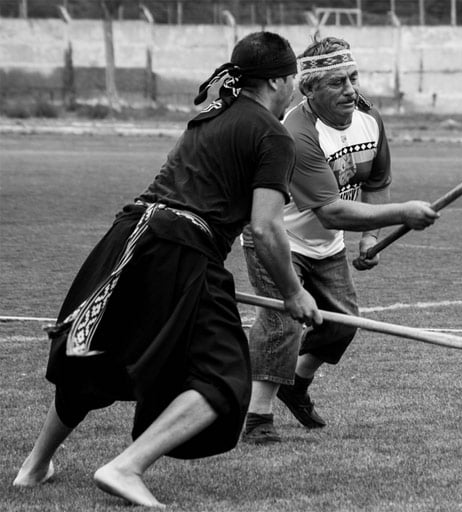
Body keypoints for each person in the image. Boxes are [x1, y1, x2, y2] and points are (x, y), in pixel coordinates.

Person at [12, 31, 321, 508]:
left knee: (96, 353)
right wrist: (295, 292)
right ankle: (125, 467)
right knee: (227, 377)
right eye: (294, 80)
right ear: (281, 80)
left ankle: (33, 467)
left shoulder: (210, 115)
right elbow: (266, 229)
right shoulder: (272, 134)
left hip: (132, 235)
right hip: (183, 248)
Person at [240, 35, 439, 444]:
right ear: (310, 89)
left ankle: (296, 382)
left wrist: (370, 238)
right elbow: (330, 210)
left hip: (326, 245)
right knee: (283, 323)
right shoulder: (296, 133)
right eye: (337, 83)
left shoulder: (370, 119)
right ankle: (257, 417)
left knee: (342, 325)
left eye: (353, 78)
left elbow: (376, 180)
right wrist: (404, 213)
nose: (351, 90)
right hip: (277, 238)